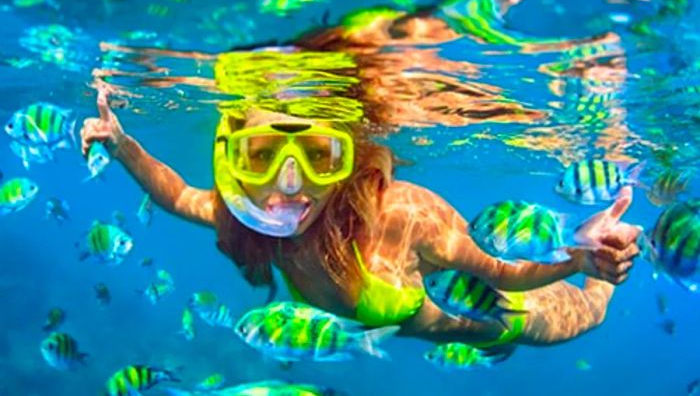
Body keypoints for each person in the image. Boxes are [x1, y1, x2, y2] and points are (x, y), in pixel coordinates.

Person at [80, 87, 640, 351]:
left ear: (346, 163)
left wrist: (579, 259)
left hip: (490, 321)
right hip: (429, 330)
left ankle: (606, 272)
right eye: (262, 155)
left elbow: (501, 271)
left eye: (317, 156)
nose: (288, 183)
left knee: (582, 316)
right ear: (234, 159)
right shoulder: (250, 222)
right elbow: (178, 196)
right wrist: (122, 144)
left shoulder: (404, 217)